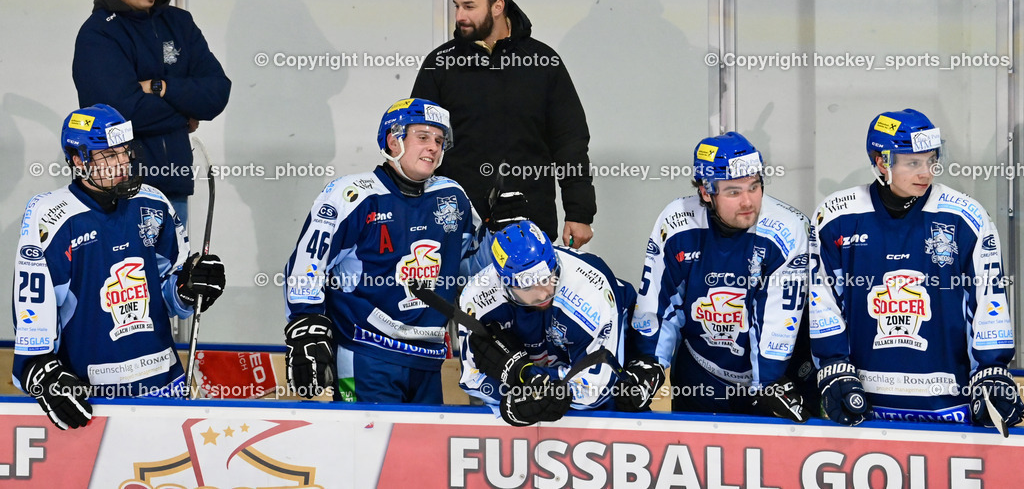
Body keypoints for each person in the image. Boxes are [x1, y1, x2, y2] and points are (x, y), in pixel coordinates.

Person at [12, 105, 225, 429]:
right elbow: (34, 311)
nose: (123, 163)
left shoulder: (152, 202)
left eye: (125, 152)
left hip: (165, 387)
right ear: (79, 160)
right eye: (109, 155)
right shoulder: (50, 217)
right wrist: (42, 371)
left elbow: (170, 295)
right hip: (93, 400)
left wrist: (189, 287)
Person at [809, 108, 1023, 429]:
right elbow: (822, 297)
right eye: (913, 163)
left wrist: (991, 368)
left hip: (949, 403)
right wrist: (833, 363)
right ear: (882, 162)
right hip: (864, 404)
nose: (927, 172)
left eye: (931, 160)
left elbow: (989, 297)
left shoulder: (964, 216)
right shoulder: (837, 215)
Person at [283, 98, 486, 404]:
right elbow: (309, 262)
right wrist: (306, 323)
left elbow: (472, 264)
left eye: (439, 140)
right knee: (366, 448)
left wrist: (502, 232)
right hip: (367, 352)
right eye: (423, 137)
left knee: (419, 451)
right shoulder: (353, 195)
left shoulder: (452, 196)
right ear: (394, 141)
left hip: (428, 357)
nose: (433, 147)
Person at [411, 0, 595, 249]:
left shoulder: (542, 63)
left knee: (531, 297)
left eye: (469, 6)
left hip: (530, 228)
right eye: (457, 6)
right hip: (453, 229)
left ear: (498, 6)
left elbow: (569, 142)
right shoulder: (440, 64)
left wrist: (579, 212)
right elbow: (417, 144)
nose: (459, 15)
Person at [632, 132, 813, 422]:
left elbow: (778, 319)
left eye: (755, 187)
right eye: (733, 192)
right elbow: (660, 298)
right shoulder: (677, 221)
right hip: (702, 370)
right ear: (706, 192)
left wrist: (766, 383)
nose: (748, 201)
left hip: (775, 374)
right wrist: (650, 362)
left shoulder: (788, 229)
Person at [73, 0, 231, 226]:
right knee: (128, 274)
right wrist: (184, 116)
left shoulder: (179, 23)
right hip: (120, 195)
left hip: (174, 190)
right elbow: (122, 113)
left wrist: (160, 87)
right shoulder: (99, 34)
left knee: (174, 273)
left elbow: (217, 92)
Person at [458, 220, 663, 426]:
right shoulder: (477, 298)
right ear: (505, 284)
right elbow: (470, 377)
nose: (545, 291)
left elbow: (596, 390)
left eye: (549, 277)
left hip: (610, 368)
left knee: (627, 398)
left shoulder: (590, 291)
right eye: (529, 286)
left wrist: (524, 377)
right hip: (554, 367)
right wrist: (512, 403)